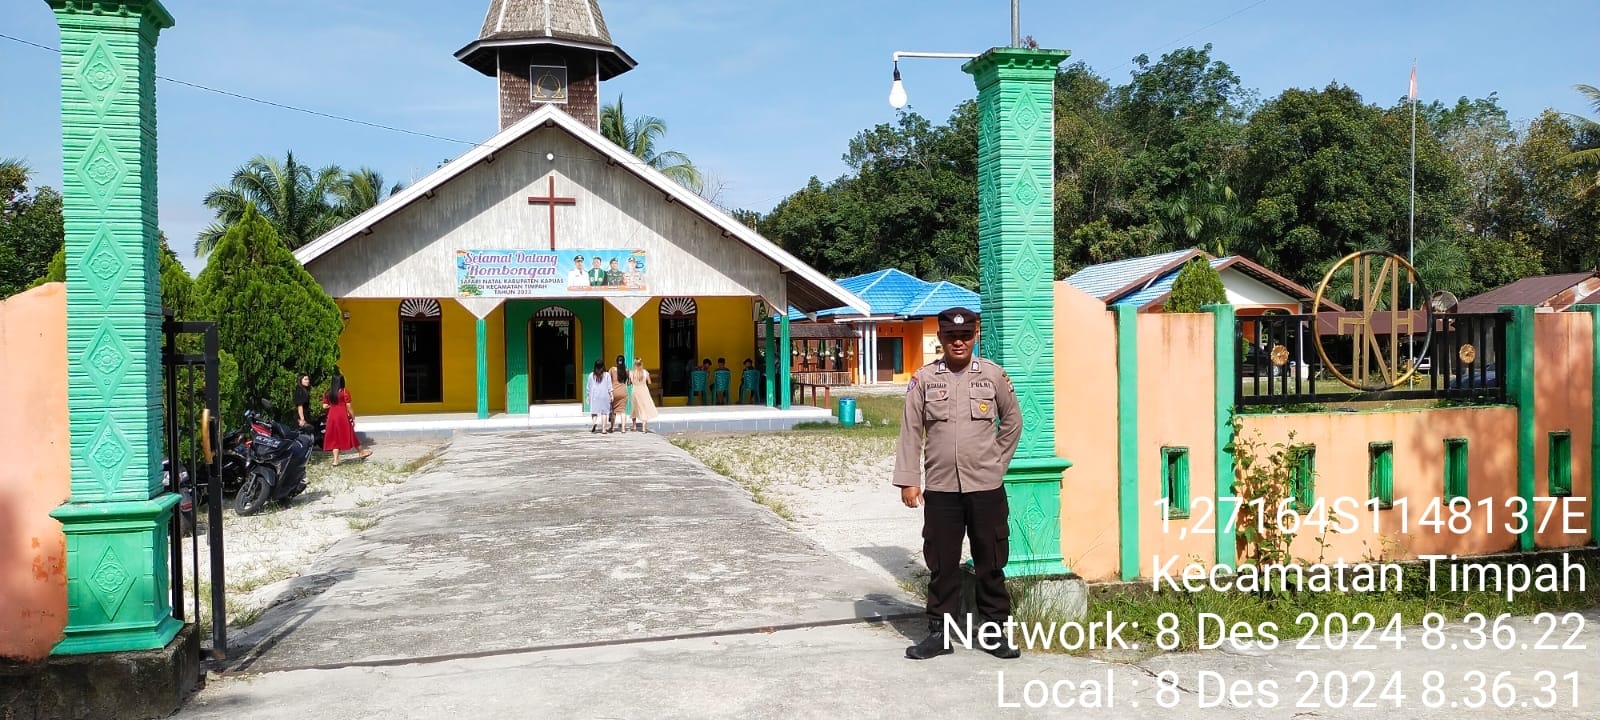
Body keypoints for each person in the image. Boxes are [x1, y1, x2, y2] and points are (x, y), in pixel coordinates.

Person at [892, 307, 1022, 660]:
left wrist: (996, 463)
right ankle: (939, 634)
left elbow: (1012, 421)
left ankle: (994, 633)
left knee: (990, 562)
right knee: (942, 565)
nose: (959, 342)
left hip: (985, 487)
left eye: (965, 336)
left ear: (975, 336)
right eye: (951, 336)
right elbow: (911, 432)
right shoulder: (924, 380)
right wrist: (908, 480)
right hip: (942, 489)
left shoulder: (993, 377)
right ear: (941, 339)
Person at [322, 374, 371, 465]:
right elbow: (348, 406)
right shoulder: (344, 392)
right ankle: (361, 452)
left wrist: (333, 406)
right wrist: (353, 416)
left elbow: (324, 406)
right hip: (342, 416)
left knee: (334, 437)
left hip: (332, 416)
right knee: (351, 433)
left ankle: (336, 460)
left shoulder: (328, 393)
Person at [628, 358, 659, 432]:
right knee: (644, 408)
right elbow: (649, 382)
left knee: (634, 407)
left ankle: (634, 426)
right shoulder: (645, 372)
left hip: (635, 390)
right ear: (641, 364)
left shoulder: (631, 373)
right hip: (644, 391)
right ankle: (644, 427)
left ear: (634, 364)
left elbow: (629, 382)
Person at [585, 360, 612, 433]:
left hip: (594, 395)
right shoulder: (607, 375)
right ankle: (604, 429)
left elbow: (588, 387)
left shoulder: (591, 375)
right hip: (604, 395)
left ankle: (594, 422)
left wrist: (587, 396)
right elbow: (609, 386)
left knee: (594, 411)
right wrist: (611, 395)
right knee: (604, 413)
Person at [608, 355, 629, 432]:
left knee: (614, 411)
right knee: (623, 411)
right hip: (623, 391)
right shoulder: (626, 370)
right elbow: (628, 381)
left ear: (616, 361)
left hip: (614, 392)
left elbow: (608, 380)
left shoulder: (612, 369)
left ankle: (612, 427)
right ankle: (623, 428)